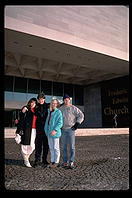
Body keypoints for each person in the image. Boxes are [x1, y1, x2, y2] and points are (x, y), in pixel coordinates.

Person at [59, 94, 84, 169]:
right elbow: (57, 118)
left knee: (72, 146)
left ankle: (71, 161)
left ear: (69, 100)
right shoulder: (61, 109)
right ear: (63, 100)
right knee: (63, 147)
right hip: (63, 129)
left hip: (71, 129)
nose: (66, 101)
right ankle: (65, 162)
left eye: (67, 99)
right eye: (65, 99)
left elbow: (81, 115)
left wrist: (77, 123)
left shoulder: (73, 108)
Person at [16, 98, 37, 167]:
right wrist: (22, 112)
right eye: (31, 102)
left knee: (32, 146)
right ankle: (26, 160)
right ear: (29, 103)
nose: (32, 104)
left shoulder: (36, 110)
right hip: (26, 130)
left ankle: (26, 157)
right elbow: (21, 119)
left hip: (34, 130)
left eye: (34, 102)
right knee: (25, 145)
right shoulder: (26, 108)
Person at [44, 99, 63, 168]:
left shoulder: (58, 112)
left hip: (55, 133)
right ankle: (52, 161)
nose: (54, 104)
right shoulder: (49, 112)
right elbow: (47, 123)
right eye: (52, 103)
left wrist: (55, 130)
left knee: (56, 147)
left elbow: (60, 123)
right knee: (51, 148)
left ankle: (56, 162)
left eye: (55, 103)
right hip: (49, 133)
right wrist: (46, 131)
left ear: (57, 104)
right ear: (51, 104)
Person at [33, 92, 49, 168]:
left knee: (46, 145)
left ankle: (44, 159)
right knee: (38, 145)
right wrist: (24, 107)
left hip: (46, 129)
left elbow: (57, 107)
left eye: (42, 99)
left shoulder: (48, 106)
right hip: (39, 129)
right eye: (39, 99)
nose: (41, 100)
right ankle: (37, 160)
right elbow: (29, 106)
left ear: (44, 99)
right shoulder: (36, 106)